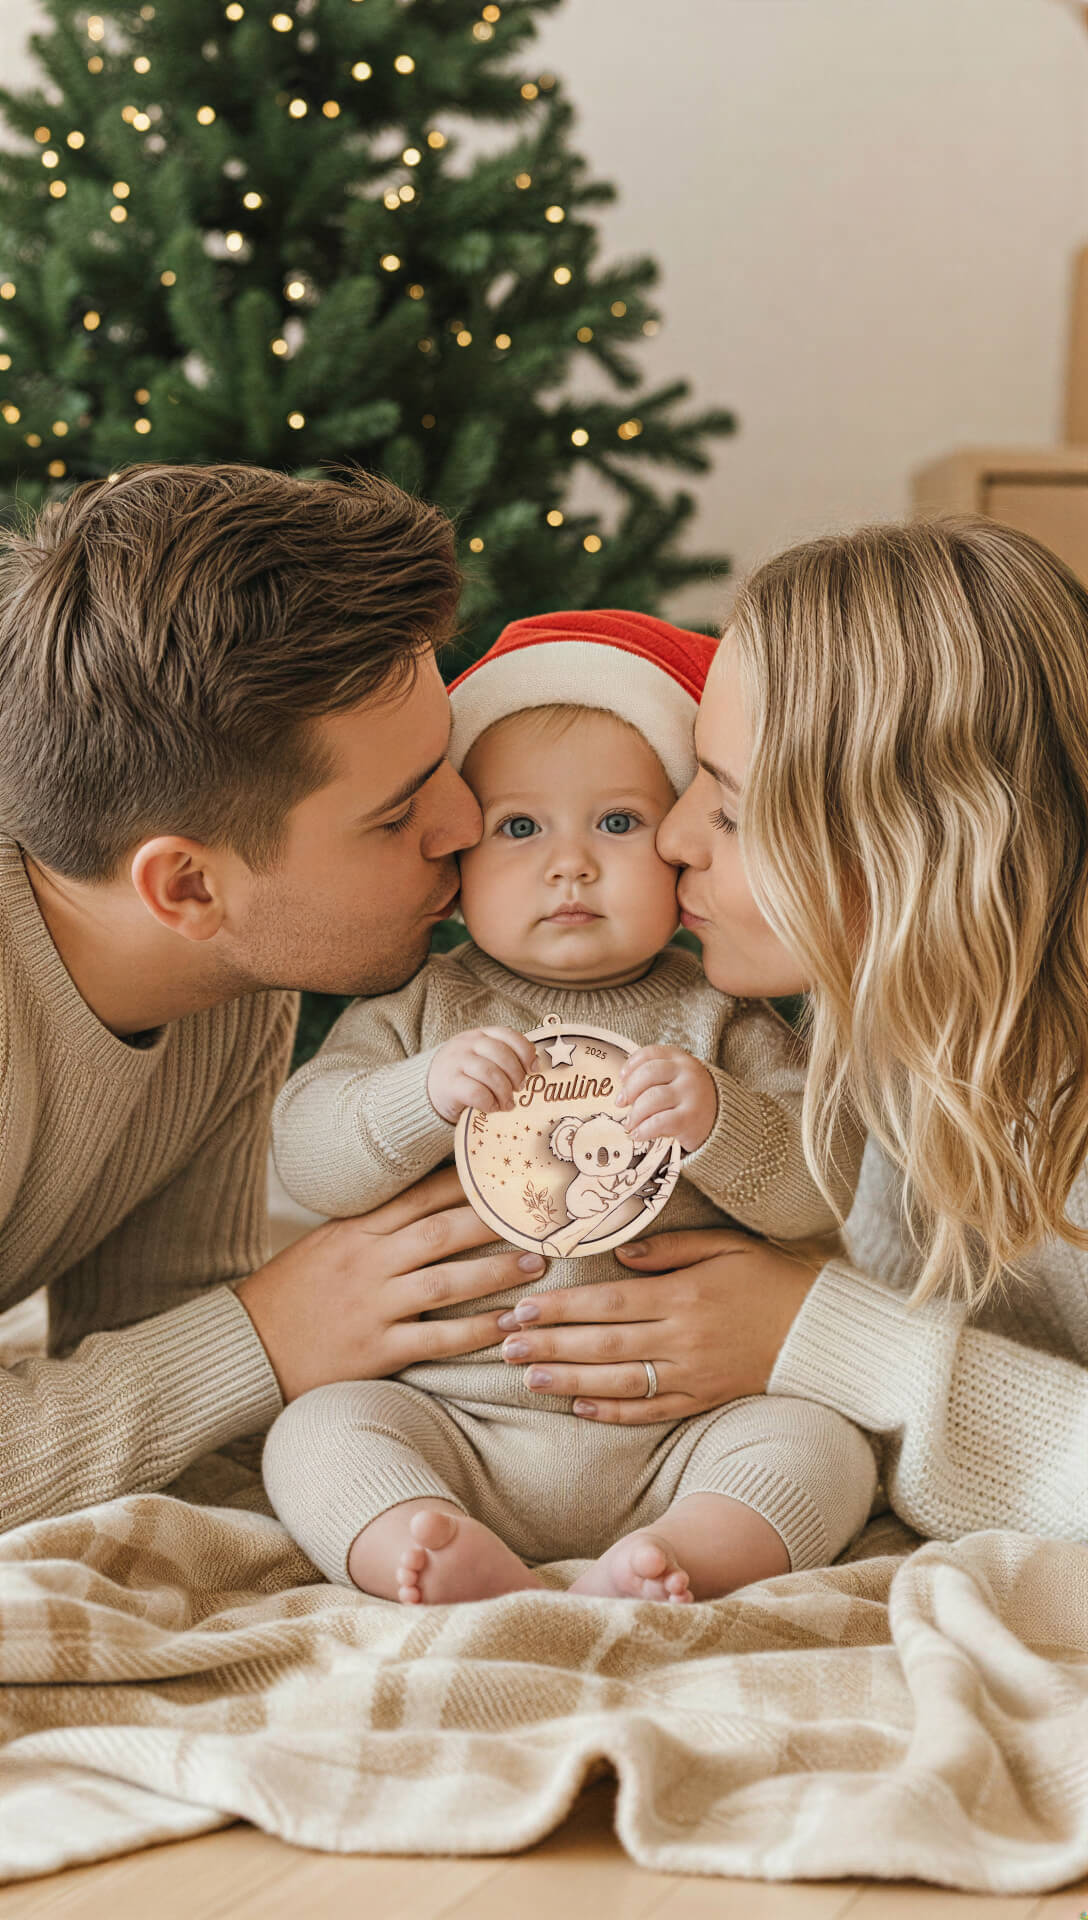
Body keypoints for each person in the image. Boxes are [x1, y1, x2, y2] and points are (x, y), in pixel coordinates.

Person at [481, 519, 1088, 1548]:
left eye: (727, 810)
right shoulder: (897, 1046)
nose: (672, 842)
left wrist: (812, 1335)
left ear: (908, 843)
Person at [262, 613, 875, 1604]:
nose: (570, 864)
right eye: (518, 827)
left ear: (677, 850)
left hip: (680, 1423)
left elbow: (816, 1192)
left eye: (618, 823)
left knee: (821, 1445)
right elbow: (310, 1158)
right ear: (455, 866)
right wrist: (418, 1095)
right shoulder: (421, 1010)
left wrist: (719, 1121)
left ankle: (682, 1555)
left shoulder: (721, 1013)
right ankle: (426, 1546)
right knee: (316, 1433)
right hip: (452, 1419)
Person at [0, 461, 545, 1535]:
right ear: (187, 885)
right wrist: (261, 1331)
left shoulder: (231, 961)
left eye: (442, 760)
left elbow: (151, 1332)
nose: (464, 822)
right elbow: (235, 1343)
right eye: (394, 817)